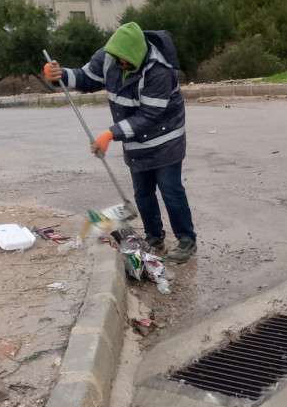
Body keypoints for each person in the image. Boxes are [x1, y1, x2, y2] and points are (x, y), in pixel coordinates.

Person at [43, 22, 196, 263]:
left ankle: (186, 240)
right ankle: (154, 237)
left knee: (170, 190)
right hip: (135, 141)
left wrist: (110, 134)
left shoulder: (159, 71)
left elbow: (149, 115)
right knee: (143, 192)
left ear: (137, 54)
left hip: (166, 138)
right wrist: (60, 75)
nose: (120, 63)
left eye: (126, 61)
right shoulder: (109, 57)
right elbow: (86, 78)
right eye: (118, 59)